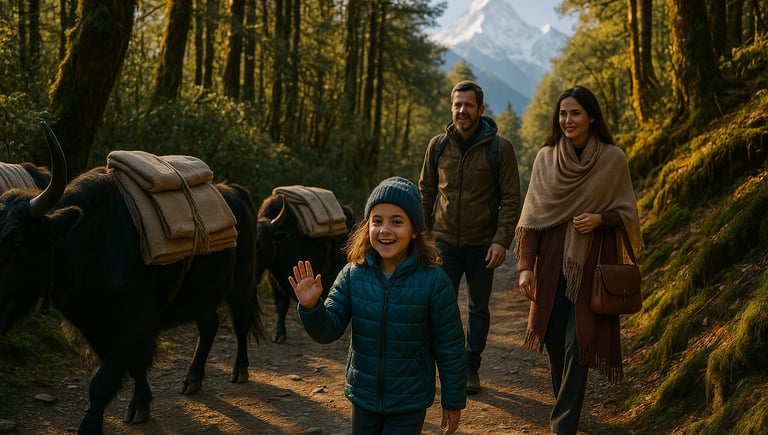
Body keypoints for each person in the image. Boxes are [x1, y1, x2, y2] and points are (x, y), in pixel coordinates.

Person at [289, 176, 466, 435]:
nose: (385, 230)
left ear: (414, 229)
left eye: (397, 222)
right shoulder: (352, 274)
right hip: (363, 397)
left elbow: (450, 347)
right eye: (377, 221)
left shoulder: (434, 281)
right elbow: (328, 331)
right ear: (367, 226)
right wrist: (312, 308)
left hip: (409, 401)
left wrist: (452, 401)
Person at [514, 86, 643, 435]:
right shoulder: (545, 159)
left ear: (591, 117)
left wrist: (601, 219)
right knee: (556, 342)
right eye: (562, 114)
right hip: (552, 265)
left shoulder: (612, 159)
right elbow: (531, 220)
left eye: (574, 113)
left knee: (579, 343)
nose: (567, 120)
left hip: (592, 264)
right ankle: (564, 409)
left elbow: (627, 212)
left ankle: (563, 425)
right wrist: (526, 266)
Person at [418, 80, 521, 394]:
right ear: (452, 108)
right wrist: (422, 238)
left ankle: (470, 368)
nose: (462, 111)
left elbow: (511, 199)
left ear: (480, 109)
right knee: (439, 309)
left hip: (482, 247)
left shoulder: (499, 149)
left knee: (478, 309)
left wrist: (501, 241)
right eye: (457, 105)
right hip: (443, 243)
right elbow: (425, 192)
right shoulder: (437, 146)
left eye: (468, 105)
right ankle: (448, 366)